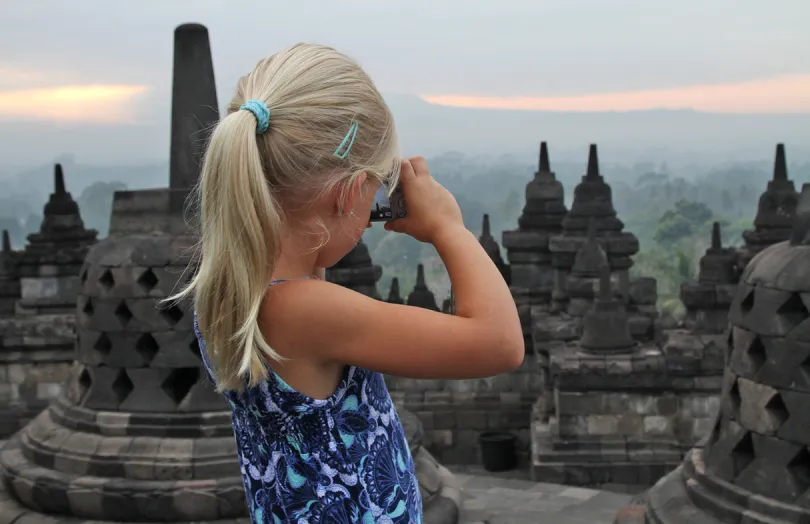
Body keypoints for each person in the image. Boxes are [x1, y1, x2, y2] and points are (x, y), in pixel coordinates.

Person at [170, 43, 523, 523]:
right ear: (348, 194)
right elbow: (500, 343)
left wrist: (330, 226)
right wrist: (448, 228)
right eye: (374, 193)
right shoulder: (307, 311)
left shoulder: (233, 286)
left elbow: (299, 255)